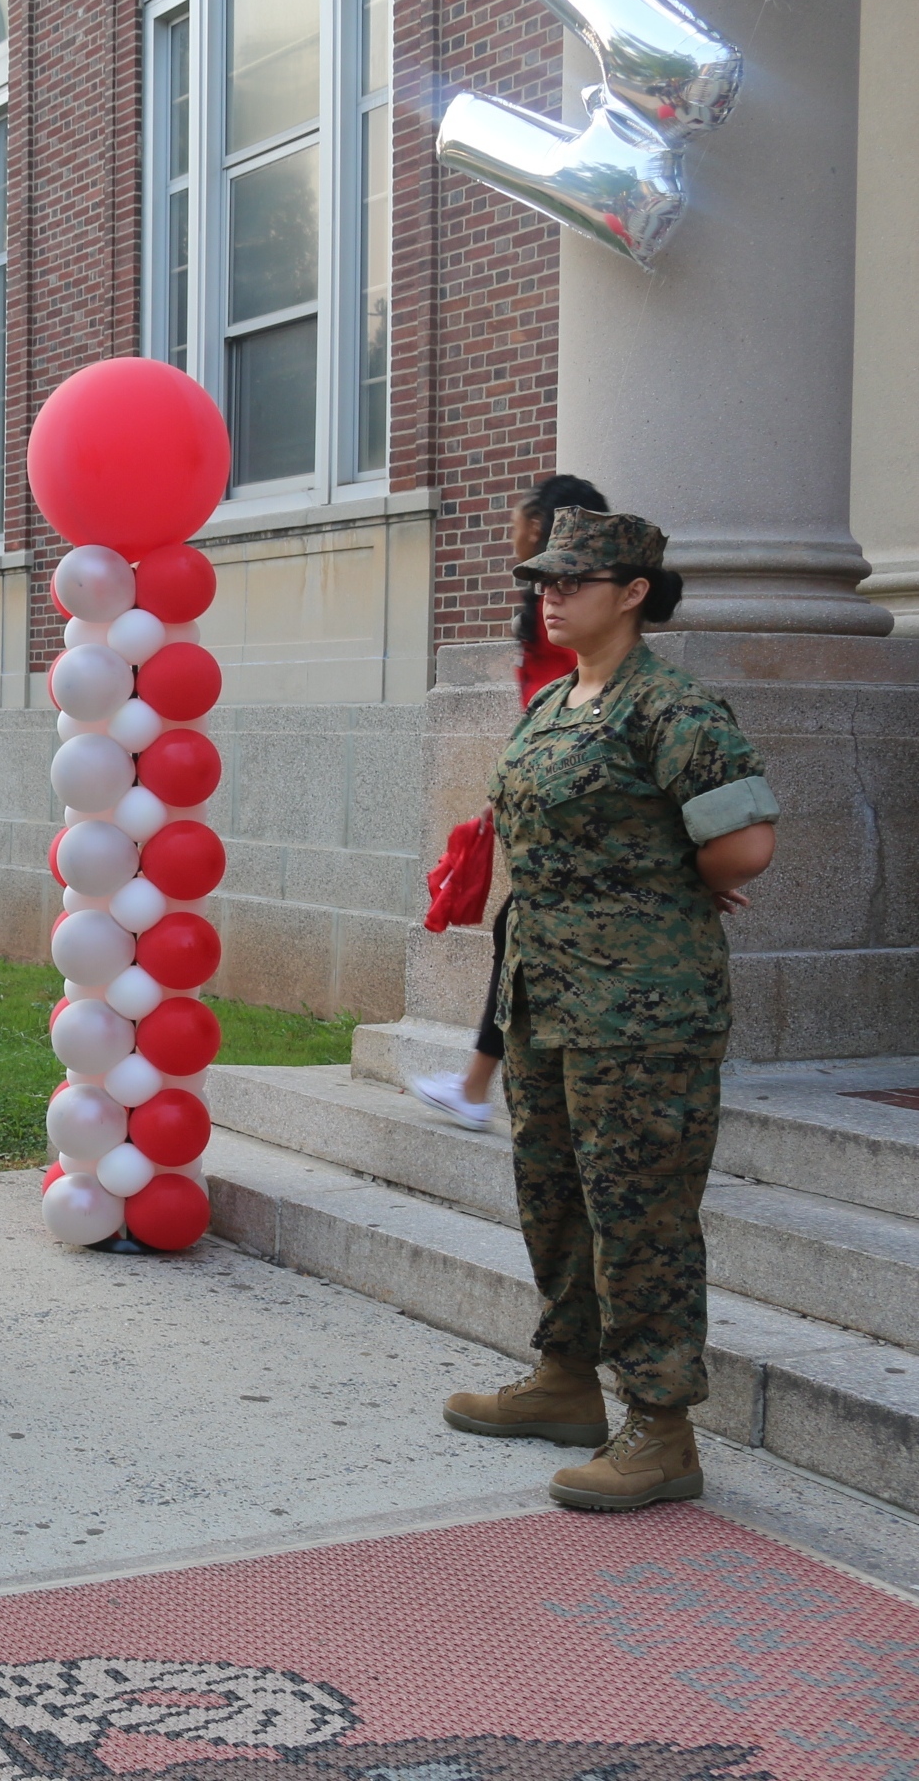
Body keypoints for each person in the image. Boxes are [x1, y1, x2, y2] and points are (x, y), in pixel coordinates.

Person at [442, 510, 778, 1511]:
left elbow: (745, 841)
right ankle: (564, 1381)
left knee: (641, 1216)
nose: (551, 594)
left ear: (633, 591)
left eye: (573, 580)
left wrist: (673, 884)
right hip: (549, 995)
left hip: (642, 1010)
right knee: (554, 1195)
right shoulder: (556, 703)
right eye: (544, 580)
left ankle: (663, 1431)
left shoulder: (668, 706)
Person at [410, 472, 608, 1131]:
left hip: (578, 809)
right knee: (519, 933)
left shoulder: (584, 631)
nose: (510, 540)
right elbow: (539, 715)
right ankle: (484, 1084)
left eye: (523, 528)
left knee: (522, 932)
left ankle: (479, 1086)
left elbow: (581, 717)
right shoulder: (545, 615)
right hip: (543, 799)